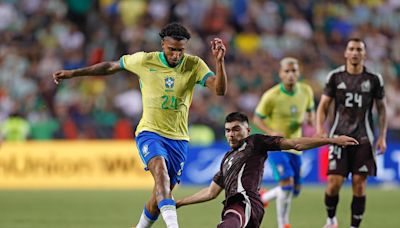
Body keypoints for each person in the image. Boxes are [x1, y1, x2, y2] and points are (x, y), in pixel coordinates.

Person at [52, 22, 228, 228]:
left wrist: (219, 62)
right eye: (172, 50)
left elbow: (219, 90)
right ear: (163, 44)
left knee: (159, 197)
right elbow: (110, 66)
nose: (176, 56)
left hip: (179, 139)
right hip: (150, 132)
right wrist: (74, 73)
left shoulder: (194, 64)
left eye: (180, 51)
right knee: (160, 173)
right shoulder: (145, 60)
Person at [176, 112, 358, 228]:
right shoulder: (226, 159)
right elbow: (210, 192)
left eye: (236, 129)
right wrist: (179, 203)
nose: (231, 134)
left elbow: (294, 144)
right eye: (228, 130)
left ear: (247, 130)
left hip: (244, 204)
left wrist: (332, 140)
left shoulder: (255, 142)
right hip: (242, 209)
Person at [316, 38, 387, 228]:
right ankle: (331, 220)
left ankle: (354, 226)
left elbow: (381, 109)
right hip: (338, 137)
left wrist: (382, 136)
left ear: (364, 54)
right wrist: (320, 128)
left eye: (359, 49)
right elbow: (323, 106)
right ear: (346, 53)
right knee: (333, 183)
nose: (355, 53)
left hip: (364, 139)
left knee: (359, 184)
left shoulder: (373, 79)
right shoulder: (335, 77)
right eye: (351, 49)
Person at [252, 57, 315, 228]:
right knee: (286, 183)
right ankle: (283, 224)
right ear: (280, 74)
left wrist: (311, 118)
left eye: (294, 71)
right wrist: (271, 133)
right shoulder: (271, 95)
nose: (291, 75)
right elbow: (257, 118)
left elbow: (310, 110)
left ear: (298, 72)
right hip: (277, 146)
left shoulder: (306, 91)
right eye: (287, 71)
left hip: (296, 146)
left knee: (294, 190)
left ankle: (264, 197)